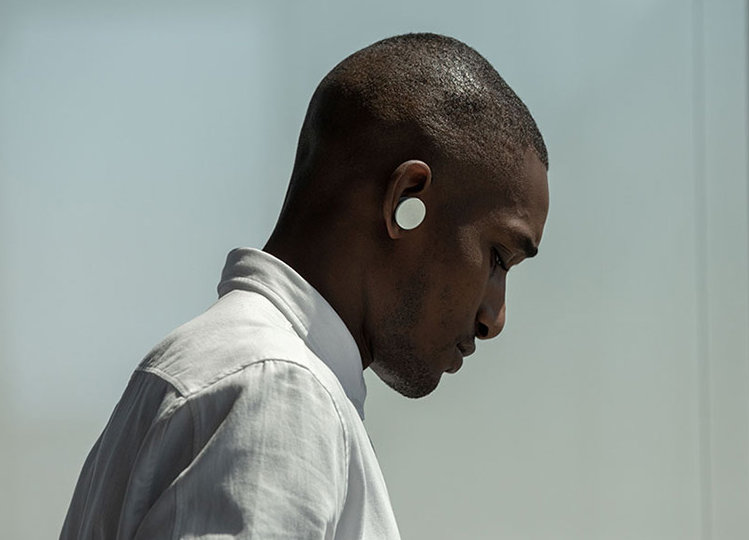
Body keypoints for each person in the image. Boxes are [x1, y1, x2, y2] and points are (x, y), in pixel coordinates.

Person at [59, 32, 549, 539]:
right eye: (498, 258)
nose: (495, 318)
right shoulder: (279, 389)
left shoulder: (219, 366)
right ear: (407, 198)